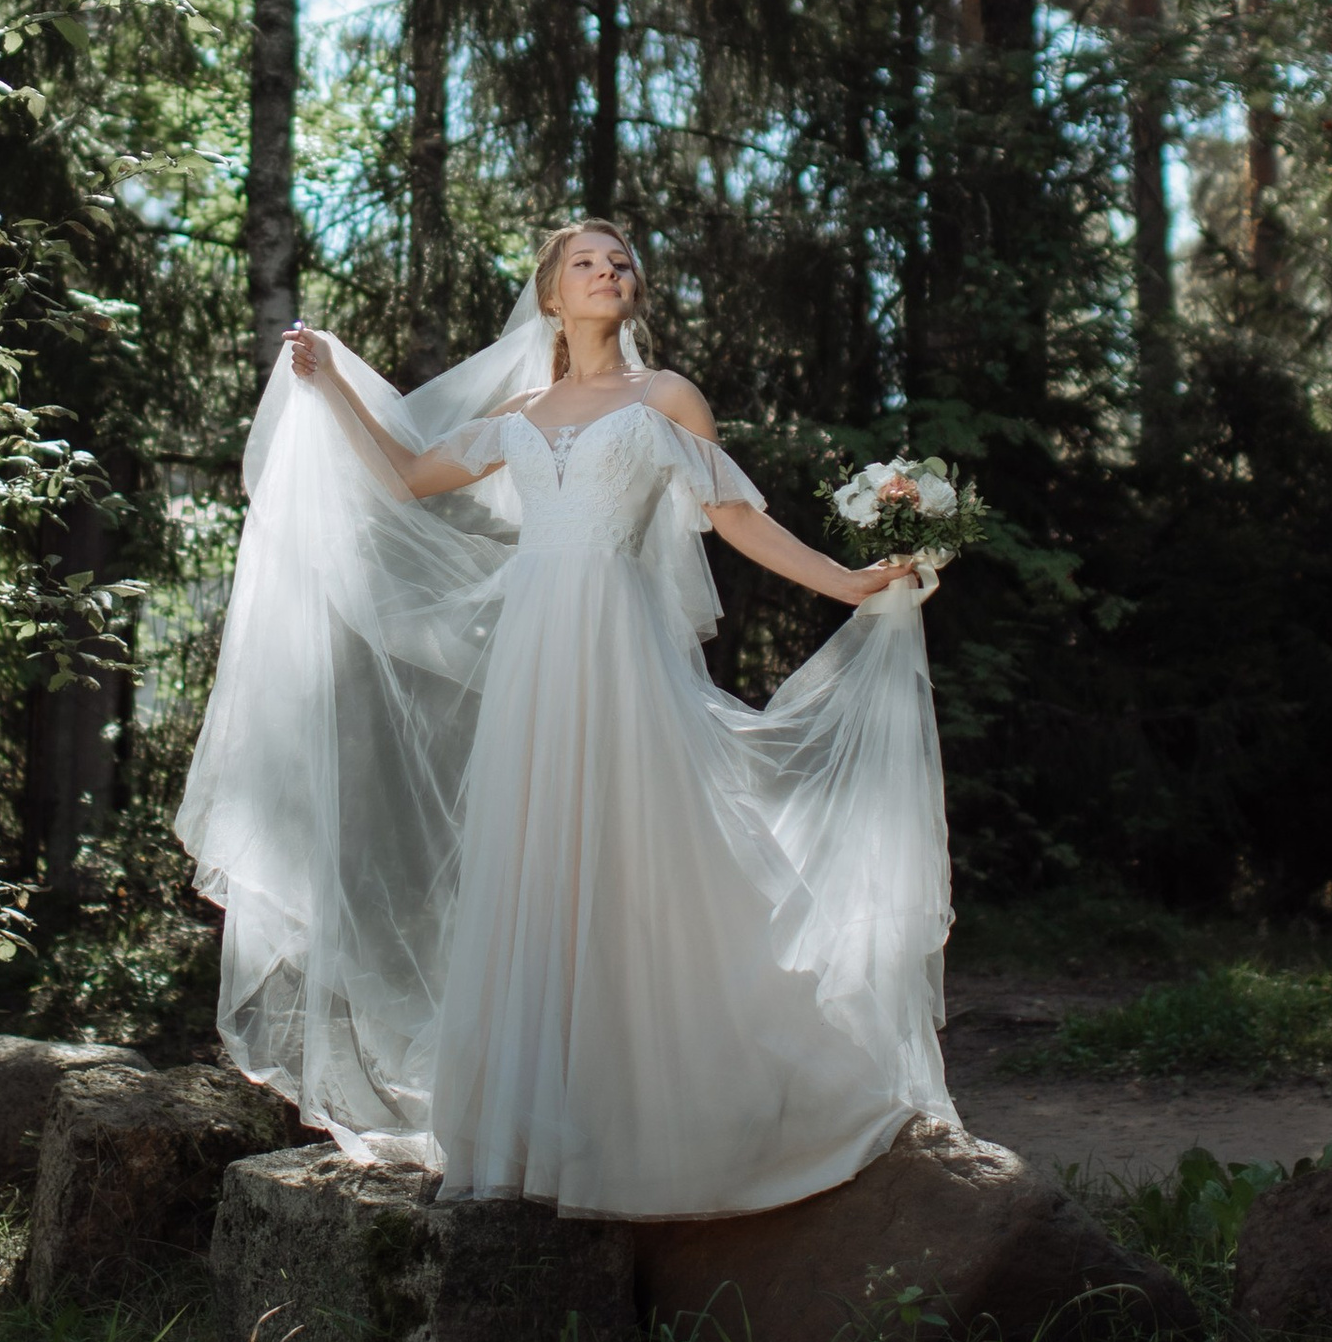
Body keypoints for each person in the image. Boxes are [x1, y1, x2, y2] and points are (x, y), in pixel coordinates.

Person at [176, 218, 958, 1220]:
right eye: (586, 262)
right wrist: (328, 383)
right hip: (532, 657)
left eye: (620, 261)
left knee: (638, 853)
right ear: (550, 295)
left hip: (617, 647)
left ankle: (666, 1111)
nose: (608, 271)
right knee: (532, 857)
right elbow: (406, 477)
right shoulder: (522, 411)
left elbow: (735, 518)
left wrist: (848, 582)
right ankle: (535, 1126)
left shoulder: (665, 396)